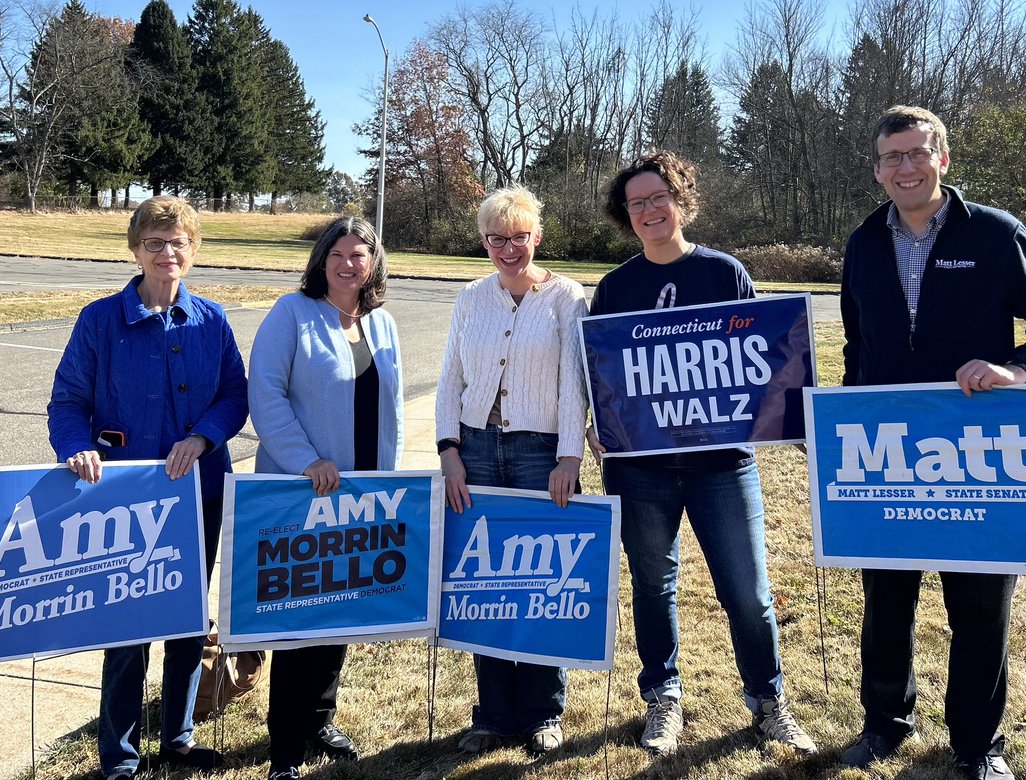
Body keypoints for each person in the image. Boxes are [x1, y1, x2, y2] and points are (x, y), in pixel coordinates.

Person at [838, 105, 1026, 780]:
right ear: (878, 169)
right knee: (886, 600)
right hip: (885, 456)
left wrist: (1017, 370)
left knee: (978, 605)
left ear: (943, 159)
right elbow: (859, 347)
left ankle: (979, 744)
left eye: (919, 153)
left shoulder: (996, 234)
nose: (906, 167)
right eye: (893, 157)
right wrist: (840, 423)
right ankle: (885, 725)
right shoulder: (863, 242)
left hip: (979, 454)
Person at [586, 151, 817, 758]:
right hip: (641, 469)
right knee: (652, 587)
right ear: (625, 215)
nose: (648, 210)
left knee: (748, 591)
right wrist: (598, 423)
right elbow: (606, 375)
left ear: (680, 198)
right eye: (636, 203)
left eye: (658, 196)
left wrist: (791, 417)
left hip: (722, 464)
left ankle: (769, 702)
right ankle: (663, 697)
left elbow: (761, 360)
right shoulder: (616, 287)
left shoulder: (724, 272)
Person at [47, 196, 249, 780]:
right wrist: (75, 447)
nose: (168, 252)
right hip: (125, 500)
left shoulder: (212, 319)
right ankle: (120, 756)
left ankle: (179, 738)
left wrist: (203, 438)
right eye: (155, 242)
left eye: (179, 242)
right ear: (135, 248)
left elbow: (234, 396)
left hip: (200, 491)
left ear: (194, 249)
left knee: (188, 617)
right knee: (129, 627)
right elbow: (68, 402)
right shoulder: (100, 320)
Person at [247, 216, 403, 780]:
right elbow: (265, 394)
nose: (347, 264)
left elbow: (393, 410)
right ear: (321, 259)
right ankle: (285, 747)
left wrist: (387, 483)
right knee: (299, 620)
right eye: (337, 253)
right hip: (302, 491)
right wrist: (304, 460)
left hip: (360, 496)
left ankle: (320, 719)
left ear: (373, 262)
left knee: (341, 612)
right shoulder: (292, 314)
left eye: (359, 254)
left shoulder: (381, 323)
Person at [436, 184, 588, 756]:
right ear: (483, 242)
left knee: (544, 580)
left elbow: (576, 383)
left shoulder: (567, 296)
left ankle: (544, 712)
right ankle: (494, 712)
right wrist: (449, 449)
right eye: (496, 238)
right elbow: (451, 376)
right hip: (475, 450)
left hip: (537, 451)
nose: (507, 248)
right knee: (487, 582)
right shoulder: (471, 297)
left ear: (537, 238)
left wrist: (569, 455)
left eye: (518, 237)